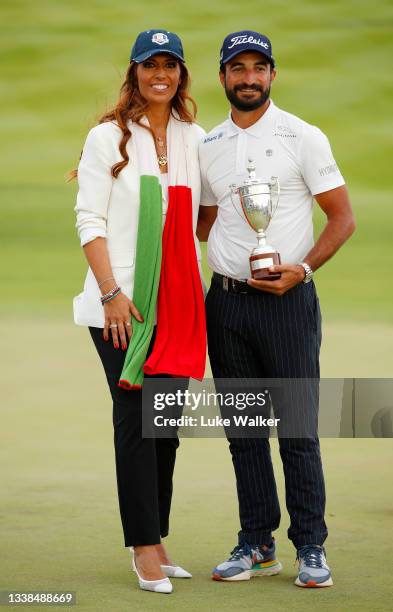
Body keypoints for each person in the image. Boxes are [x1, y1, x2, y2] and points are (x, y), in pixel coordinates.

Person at [198, 30, 355, 588]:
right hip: (227, 305)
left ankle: (310, 545)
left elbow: (342, 218)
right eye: (236, 68)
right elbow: (203, 220)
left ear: (272, 75)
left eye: (257, 68)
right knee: (244, 432)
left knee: (296, 431)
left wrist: (303, 269)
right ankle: (257, 542)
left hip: (289, 303)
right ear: (222, 77)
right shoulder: (208, 143)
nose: (247, 78)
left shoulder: (302, 136)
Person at [73, 29, 206, 594]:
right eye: (149, 64)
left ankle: (158, 537)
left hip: (180, 304)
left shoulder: (194, 136)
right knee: (136, 424)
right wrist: (111, 293)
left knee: (166, 427)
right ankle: (142, 548)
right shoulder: (108, 137)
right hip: (123, 305)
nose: (160, 74)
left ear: (180, 74)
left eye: (169, 64)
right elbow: (90, 221)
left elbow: (205, 214)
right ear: (133, 73)